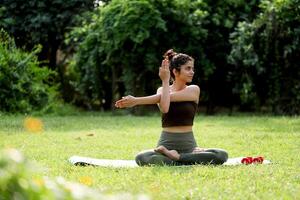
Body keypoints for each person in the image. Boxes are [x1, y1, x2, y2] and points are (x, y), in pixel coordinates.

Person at [115, 49, 228, 166]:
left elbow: (165, 98)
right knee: (141, 157)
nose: (192, 72)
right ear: (175, 71)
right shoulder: (161, 90)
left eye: (192, 69)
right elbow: (165, 108)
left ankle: (177, 157)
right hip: (165, 145)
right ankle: (184, 159)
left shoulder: (193, 89)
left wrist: (136, 101)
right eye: (188, 68)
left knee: (221, 155)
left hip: (189, 146)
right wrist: (164, 81)